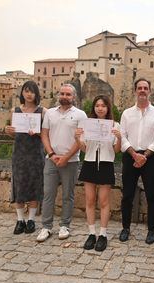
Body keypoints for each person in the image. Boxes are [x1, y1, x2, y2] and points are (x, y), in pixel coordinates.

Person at [36, 84, 87, 242]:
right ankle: (46, 227)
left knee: (68, 195)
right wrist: (51, 154)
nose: (65, 96)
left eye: (68, 94)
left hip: (70, 161)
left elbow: (81, 140)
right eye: (62, 93)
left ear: (74, 97)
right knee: (48, 194)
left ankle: (65, 226)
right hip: (51, 160)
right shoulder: (50, 113)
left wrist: (66, 157)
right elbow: (44, 135)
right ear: (59, 95)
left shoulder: (80, 115)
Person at [119, 78, 154, 244]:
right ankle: (125, 228)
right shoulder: (126, 113)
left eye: (146, 88)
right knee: (127, 195)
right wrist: (134, 154)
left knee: (152, 195)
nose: (143, 91)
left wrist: (144, 155)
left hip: (149, 157)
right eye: (140, 88)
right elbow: (122, 136)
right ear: (135, 91)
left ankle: (151, 230)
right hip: (130, 155)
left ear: (150, 91)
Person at [75, 95, 121, 252]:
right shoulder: (87, 125)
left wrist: (119, 138)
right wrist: (76, 138)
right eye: (97, 105)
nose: (100, 108)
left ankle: (103, 234)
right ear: (94, 108)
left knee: (103, 201)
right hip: (89, 162)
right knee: (89, 200)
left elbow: (116, 150)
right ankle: (91, 233)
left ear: (108, 108)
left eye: (103, 105)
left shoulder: (115, 125)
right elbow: (84, 148)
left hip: (106, 163)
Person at [5, 81, 46, 235]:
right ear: (22, 93)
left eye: (32, 91)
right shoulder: (14, 111)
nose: (29, 94)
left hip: (36, 154)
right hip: (20, 154)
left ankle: (31, 220)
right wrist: (7, 130)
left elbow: (46, 134)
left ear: (36, 94)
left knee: (35, 186)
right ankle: (20, 220)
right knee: (19, 186)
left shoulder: (43, 112)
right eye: (26, 91)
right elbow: (13, 134)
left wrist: (37, 132)